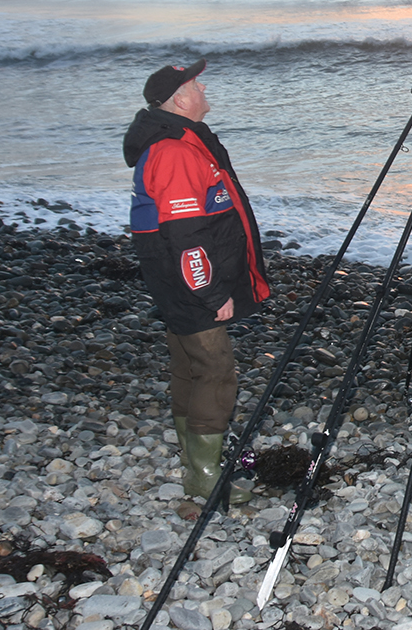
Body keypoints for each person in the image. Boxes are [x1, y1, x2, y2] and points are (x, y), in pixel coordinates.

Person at [122, 59, 270, 504]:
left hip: (174, 279)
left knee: (188, 366)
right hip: (188, 282)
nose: (204, 89)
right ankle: (205, 474)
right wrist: (211, 291)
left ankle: (194, 462)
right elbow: (185, 236)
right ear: (181, 100)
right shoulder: (175, 152)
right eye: (196, 84)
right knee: (215, 370)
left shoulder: (185, 143)